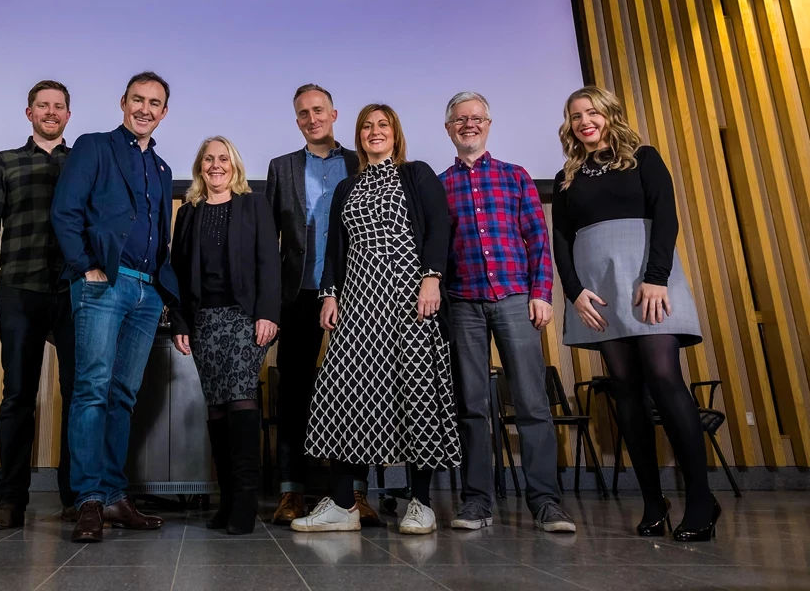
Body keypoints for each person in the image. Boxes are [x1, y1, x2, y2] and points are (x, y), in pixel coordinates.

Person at [552, 85, 718, 541]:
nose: (585, 121)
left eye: (592, 112)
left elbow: (666, 214)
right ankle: (652, 499)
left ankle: (701, 498)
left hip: (647, 278)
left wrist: (657, 276)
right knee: (624, 387)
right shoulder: (568, 176)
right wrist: (574, 292)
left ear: (609, 114)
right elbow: (561, 240)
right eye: (575, 115)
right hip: (598, 288)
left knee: (664, 378)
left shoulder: (644, 158)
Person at [292, 104, 462, 535]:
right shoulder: (347, 187)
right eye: (366, 126)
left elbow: (439, 226)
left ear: (396, 132)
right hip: (360, 302)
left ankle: (421, 504)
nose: (374, 131)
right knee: (350, 393)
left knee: (418, 393)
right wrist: (330, 295)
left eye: (382, 124)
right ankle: (345, 505)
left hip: (411, 297)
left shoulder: (416, 173)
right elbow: (334, 249)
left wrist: (432, 278)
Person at [51, 71, 180, 543]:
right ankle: (87, 499)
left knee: (122, 395)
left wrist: (162, 291)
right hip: (104, 285)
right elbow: (65, 211)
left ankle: (112, 495)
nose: (145, 109)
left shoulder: (164, 170)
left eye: (155, 103)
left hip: (147, 293)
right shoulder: (94, 146)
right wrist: (86, 266)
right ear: (123, 102)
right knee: (92, 389)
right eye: (138, 100)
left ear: (164, 113)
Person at [439, 91, 576, 533]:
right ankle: (477, 501)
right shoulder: (440, 185)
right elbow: (435, 253)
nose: (469, 125)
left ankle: (546, 502)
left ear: (488, 124)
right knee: (473, 407)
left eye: (476, 118)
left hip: (517, 299)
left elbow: (538, 240)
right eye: (460, 119)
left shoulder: (516, 177)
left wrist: (541, 293)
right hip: (463, 304)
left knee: (533, 403)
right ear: (449, 129)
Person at [0, 80, 78, 529]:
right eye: (42, 106)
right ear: (29, 113)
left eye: (59, 106)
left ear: (68, 115)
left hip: (76, 293)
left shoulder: (83, 161)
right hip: (20, 290)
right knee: (17, 397)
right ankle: (10, 499)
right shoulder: (3, 162)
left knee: (80, 397)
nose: (50, 112)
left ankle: (78, 497)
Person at [265, 84, 370, 525]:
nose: (312, 118)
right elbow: (269, 241)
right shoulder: (282, 167)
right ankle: (292, 493)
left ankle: (357, 494)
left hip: (357, 291)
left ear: (334, 114)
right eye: (304, 113)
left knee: (359, 391)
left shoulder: (358, 161)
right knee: (294, 393)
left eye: (319, 110)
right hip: (299, 294)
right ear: (297, 121)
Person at [170, 136, 281, 535]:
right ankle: (229, 500)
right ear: (200, 167)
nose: (216, 165)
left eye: (223, 158)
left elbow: (270, 262)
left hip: (244, 319)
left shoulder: (253, 205)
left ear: (234, 165)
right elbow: (179, 274)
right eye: (208, 159)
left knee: (240, 400)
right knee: (216, 407)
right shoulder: (188, 213)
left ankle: (246, 504)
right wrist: (181, 323)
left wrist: (268, 313)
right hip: (204, 322)